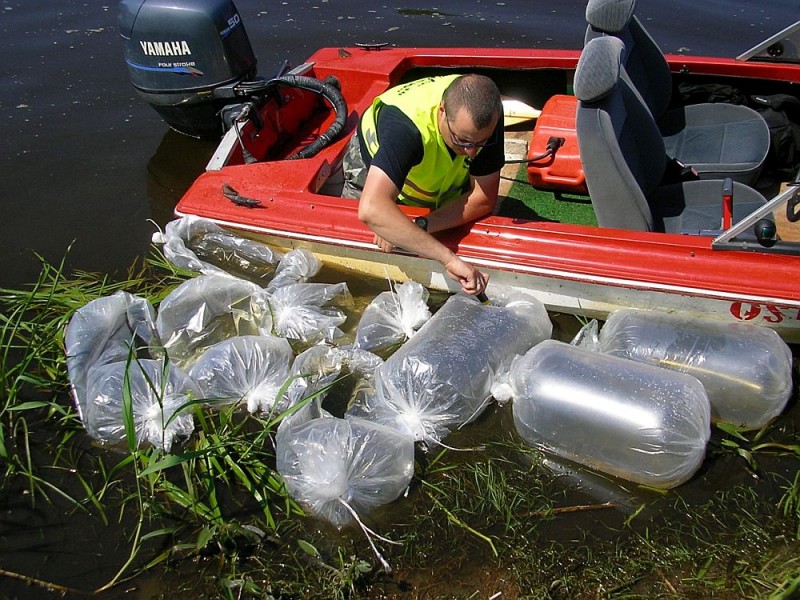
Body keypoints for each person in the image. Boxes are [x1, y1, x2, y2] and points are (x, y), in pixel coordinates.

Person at [342, 73, 504, 296]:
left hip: (428, 171)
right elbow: (371, 209)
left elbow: (483, 198)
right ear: (442, 111)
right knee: (359, 247)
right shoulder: (406, 130)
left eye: (481, 143)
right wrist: (447, 258)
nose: (471, 152)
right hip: (372, 166)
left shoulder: (485, 112)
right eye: (462, 140)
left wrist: (421, 225)